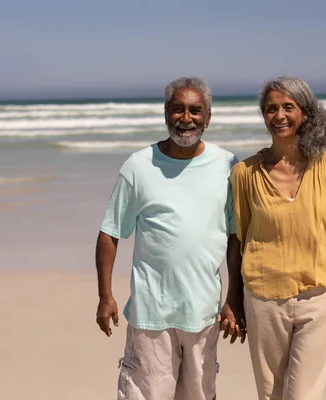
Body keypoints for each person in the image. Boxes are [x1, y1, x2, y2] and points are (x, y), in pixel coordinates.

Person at [95, 77, 239, 400]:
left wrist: (234, 298)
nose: (185, 118)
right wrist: (106, 296)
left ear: (208, 118)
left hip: (204, 312)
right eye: (178, 109)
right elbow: (109, 233)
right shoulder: (138, 166)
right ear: (166, 114)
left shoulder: (228, 167)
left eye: (194, 111)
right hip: (150, 315)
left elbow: (236, 239)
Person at [220, 76, 326, 400]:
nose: (278, 115)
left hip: (319, 298)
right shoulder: (245, 174)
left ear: (305, 113)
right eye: (271, 109)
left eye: (287, 107)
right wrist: (233, 299)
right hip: (263, 301)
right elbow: (239, 239)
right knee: (271, 395)